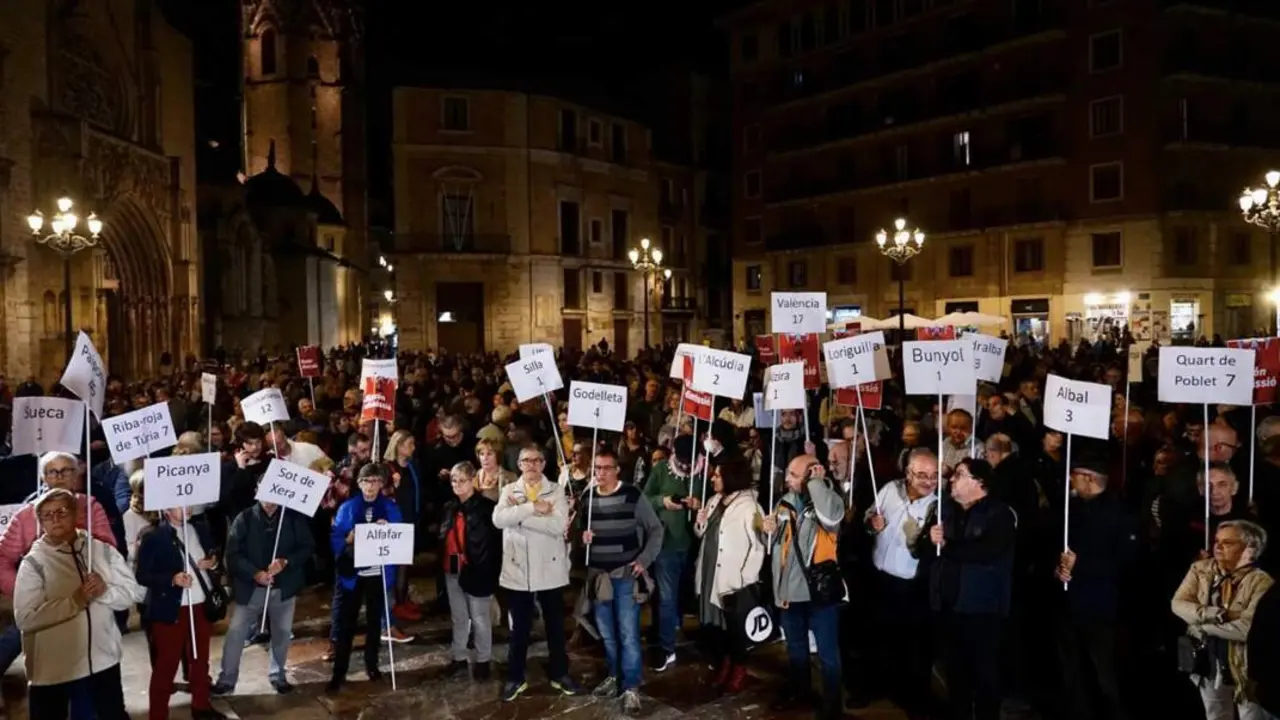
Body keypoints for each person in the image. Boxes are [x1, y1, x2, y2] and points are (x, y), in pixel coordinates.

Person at [14, 488, 145, 719]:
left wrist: (105, 592)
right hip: (55, 670)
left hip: (103, 663)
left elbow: (134, 593)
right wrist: (74, 602)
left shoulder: (101, 550)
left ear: (75, 514)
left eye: (62, 511)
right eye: (47, 515)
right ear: (40, 522)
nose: (55, 519)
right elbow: (25, 618)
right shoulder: (34, 563)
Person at [926, 458, 1016, 720]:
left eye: (960, 474)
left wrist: (948, 546)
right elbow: (929, 550)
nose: (952, 479)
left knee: (984, 671)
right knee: (956, 671)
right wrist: (930, 540)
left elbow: (987, 552)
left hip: (982, 608)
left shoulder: (999, 514)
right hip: (950, 604)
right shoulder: (946, 510)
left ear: (980, 483)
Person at [493, 444, 584, 702]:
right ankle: (515, 677)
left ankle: (560, 674)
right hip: (518, 569)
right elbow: (498, 520)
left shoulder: (556, 491)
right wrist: (533, 508)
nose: (531, 465)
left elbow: (558, 525)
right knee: (519, 629)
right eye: (526, 460)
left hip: (550, 568)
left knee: (555, 626)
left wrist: (519, 516)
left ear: (543, 464)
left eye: (536, 460)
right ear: (519, 465)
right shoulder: (508, 490)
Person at [212, 476, 315, 696]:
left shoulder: (292, 518)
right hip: (251, 589)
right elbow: (233, 554)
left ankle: (278, 674)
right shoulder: (245, 518)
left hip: (283, 588)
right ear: (257, 490)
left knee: (281, 634)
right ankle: (227, 678)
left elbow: (307, 547)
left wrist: (286, 562)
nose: (269, 498)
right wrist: (254, 573)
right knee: (236, 633)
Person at [581, 447, 664, 714]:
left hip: (625, 575)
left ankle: (631, 687)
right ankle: (614, 676)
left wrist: (644, 559)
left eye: (606, 468)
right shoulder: (588, 497)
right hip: (599, 577)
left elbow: (655, 529)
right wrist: (581, 537)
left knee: (628, 634)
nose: (601, 473)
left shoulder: (632, 495)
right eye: (597, 468)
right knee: (607, 633)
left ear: (617, 470)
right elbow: (579, 534)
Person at [763, 454, 846, 719]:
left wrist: (817, 483)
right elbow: (777, 546)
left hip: (819, 591)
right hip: (790, 590)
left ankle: (832, 706)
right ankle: (799, 691)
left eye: (794, 475)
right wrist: (768, 530)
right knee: (795, 648)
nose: (787, 479)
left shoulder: (830, 499)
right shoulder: (785, 502)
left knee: (827, 653)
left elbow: (831, 519)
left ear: (812, 474)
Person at [1053, 456, 1136, 720]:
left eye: (1075, 474)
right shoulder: (1071, 509)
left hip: (1102, 608)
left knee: (1104, 674)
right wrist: (1058, 569)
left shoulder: (1119, 513)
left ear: (1089, 478)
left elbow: (1127, 562)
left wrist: (1081, 564)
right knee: (1072, 671)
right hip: (1069, 603)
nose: (1070, 479)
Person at [1172, 520, 1274, 720]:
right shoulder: (1200, 569)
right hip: (1209, 662)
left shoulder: (1262, 582)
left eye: (1227, 542)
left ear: (1250, 549)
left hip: (1246, 666)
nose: (1218, 547)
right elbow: (1178, 604)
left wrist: (1202, 628)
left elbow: (1247, 628)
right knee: (1216, 715)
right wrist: (1217, 614)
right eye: (1216, 541)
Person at [866, 448, 938, 716]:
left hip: (912, 587)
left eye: (934, 475)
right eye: (922, 475)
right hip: (880, 578)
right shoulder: (889, 489)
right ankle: (881, 687)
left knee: (912, 647)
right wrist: (872, 523)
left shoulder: (937, 507)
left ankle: (914, 699)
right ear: (908, 473)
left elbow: (928, 551)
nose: (929, 481)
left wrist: (920, 539)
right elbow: (868, 516)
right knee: (881, 638)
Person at [135, 507, 224, 719]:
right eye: (179, 504)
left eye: (189, 502)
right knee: (166, 664)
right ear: (166, 508)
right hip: (171, 609)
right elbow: (142, 575)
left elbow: (214, 555)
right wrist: (172, 579)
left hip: (201, 603)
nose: (187, 507)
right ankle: (158, 714)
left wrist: (212, 563)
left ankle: (201, 706)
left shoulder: (200, 528)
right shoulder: (153, 537)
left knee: (200, 659)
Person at [327, 463, 402, 693]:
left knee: (374, 622)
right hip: (353, 574)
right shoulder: (348, 507)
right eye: (367, 481)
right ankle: (339, 671)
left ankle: (372, 664)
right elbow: (335, 538)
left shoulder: (389, 507)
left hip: (377, 574)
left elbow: (399, 536)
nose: (371, 486)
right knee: (346, 623)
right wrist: (347, 540)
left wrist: (388, 530)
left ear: (381, 484)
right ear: (359, 484)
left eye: (375, 481)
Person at [694, 454, 765, 695]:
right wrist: (700, 523)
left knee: (734, 627)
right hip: (710, 572)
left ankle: (739, 669)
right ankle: (725, 663)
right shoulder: (715, 500)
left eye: (718, 475)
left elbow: (758, 546)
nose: (713, 478)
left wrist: (745, 579)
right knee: (717, 626)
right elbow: (704, 534)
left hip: (733, 579)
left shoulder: (750, 507)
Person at [642, 434, 704, 673]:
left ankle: (678, 628)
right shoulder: (661, 470)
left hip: (694, 544)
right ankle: (667, 647)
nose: (687, 465)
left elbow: (714, 499)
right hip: (666, 544)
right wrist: (663, 501)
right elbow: (645, 499)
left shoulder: (703, 472)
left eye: (691, 460)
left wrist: (699, 504)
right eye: (683, 460)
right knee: (666, 598)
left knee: (686, 595)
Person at [440, 461, 500, 680]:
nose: (457, 485)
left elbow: (492, 543)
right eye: (454, 481)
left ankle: (483, 660)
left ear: (472, 480)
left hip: (477, 570)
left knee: (480, 617)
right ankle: (458, 656)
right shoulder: (450, 506)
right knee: (459, 616)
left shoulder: (486, 508)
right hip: (452, 567)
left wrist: (489, 570)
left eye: (462, 481)